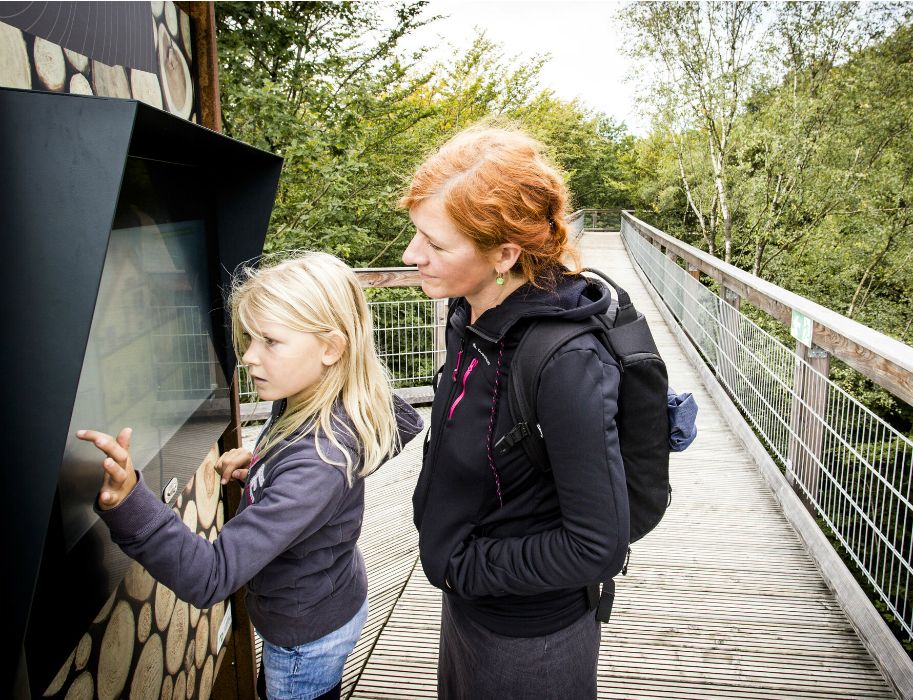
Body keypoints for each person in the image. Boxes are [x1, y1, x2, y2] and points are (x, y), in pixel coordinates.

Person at [77, 252, 423, 700]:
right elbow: (300, 470)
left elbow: (211, 574)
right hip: (326, 600)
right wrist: (260, 465)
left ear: (331, 348)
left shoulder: (320, 461)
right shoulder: (309, 399)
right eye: (249, 338)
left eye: (270, 342)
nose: (249, 356)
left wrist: (128, 504)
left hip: (304, 638)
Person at [400, 126, 630, 699]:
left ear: (504, 255)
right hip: (467, 608)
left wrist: (465, 568)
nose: (412, 256)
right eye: (416, 234)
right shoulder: (470, 312)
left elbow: (597, 544)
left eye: (436, 244)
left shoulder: (565, 363)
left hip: (530, 642)